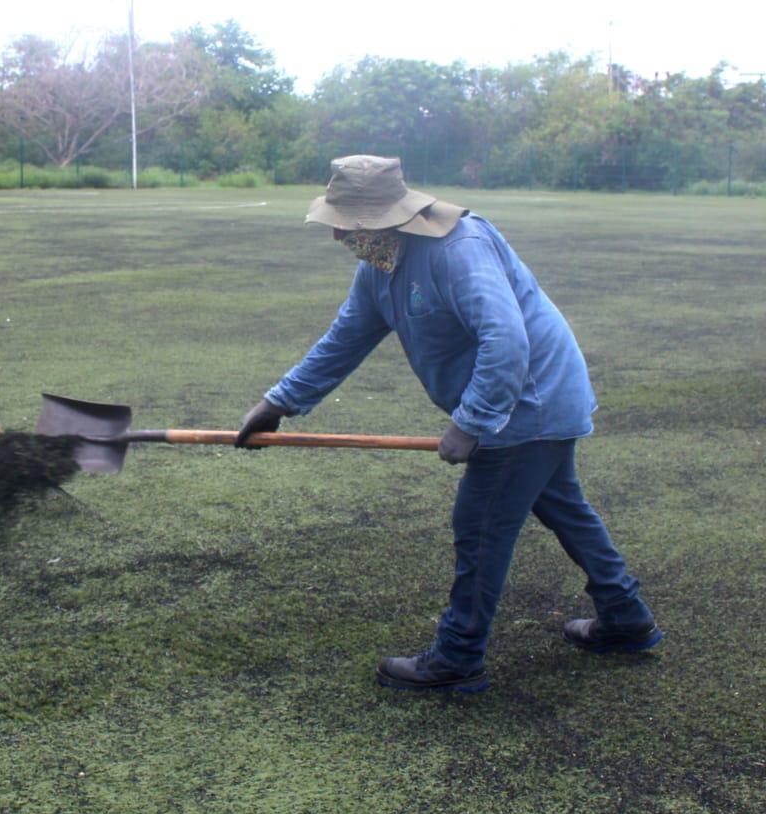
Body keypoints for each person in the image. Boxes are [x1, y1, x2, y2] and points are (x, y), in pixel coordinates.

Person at [236, 155, 661, 692]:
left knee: (479, 526)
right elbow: (344, 340)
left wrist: (474, 420)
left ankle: (458, 656)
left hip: (528, 402)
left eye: (347, 224)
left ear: (387, 219)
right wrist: (279, 403)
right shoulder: (380, 268)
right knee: (564, 507)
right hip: (530, 402)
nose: (338, 234)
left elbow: (506, 338)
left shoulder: (457, 249)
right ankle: (625, 618)